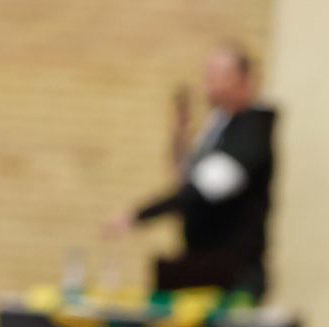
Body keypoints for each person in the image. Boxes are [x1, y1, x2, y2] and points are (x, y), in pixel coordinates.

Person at [112, 45, 273, 298]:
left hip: (232, 271)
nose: (207, 81)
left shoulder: (251, 132)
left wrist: (142, 214)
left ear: (242, 80)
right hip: (203, 262)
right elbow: (186, 179)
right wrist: (180, 136)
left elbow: (203, 189)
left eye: (216, 74)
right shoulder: (219, 124)